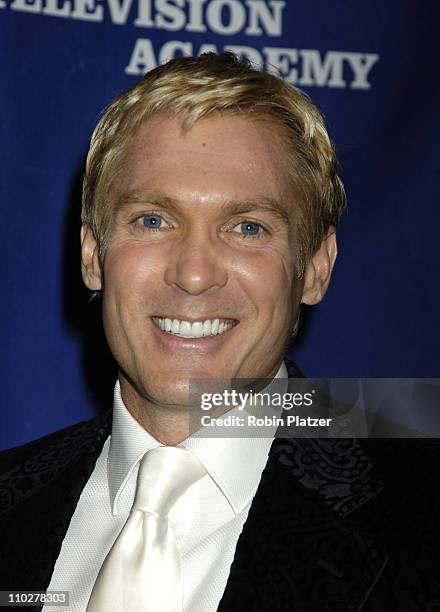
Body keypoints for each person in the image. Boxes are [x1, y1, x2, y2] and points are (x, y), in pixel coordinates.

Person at [0, 52, 439, 612]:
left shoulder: (422, 514)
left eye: (247, 227)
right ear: (92, 253)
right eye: (153, 220)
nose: (194, 273)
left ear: (315, 266)